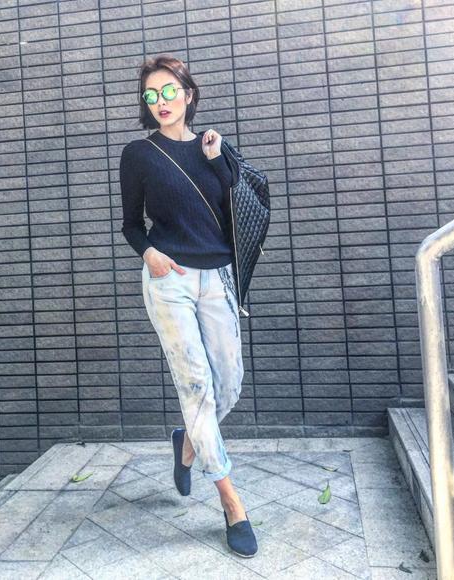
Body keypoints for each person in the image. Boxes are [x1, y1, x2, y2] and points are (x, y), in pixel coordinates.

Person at [119, 53, 257, 557]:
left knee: (229, 384)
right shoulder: (138, 154)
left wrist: (218, 159)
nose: (161, 102)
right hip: (169, 279)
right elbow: (131, 224)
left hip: (218, 277)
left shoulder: (213, 148)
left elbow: (237, 208)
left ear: (188, 94)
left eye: (169, 91)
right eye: (151, 95)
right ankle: (231, 502)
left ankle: (187, 442)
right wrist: (149, 253)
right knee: (196, 386)